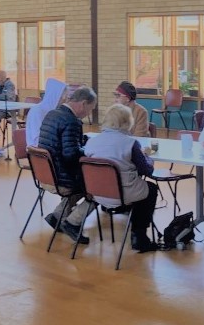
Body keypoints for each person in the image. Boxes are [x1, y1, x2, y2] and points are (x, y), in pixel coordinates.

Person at [83, 104, 159, 252]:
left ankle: (127, 216)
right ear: (127, 122)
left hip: (97, 193)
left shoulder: (91, 142)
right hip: (123, 193)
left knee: (137, 189)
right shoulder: (130, 143)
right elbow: (146, 170)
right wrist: (148, 158)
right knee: (151, 189)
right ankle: (139, 236)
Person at [38, 86, 97, 244]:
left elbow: (60, 143)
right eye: (90, 109)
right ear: (83, 104)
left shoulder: (52, 114)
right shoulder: (72, 121)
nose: (89, 113)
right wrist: (88, 151)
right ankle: (73, 223)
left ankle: (57, 216)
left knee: (83, 186)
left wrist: (82, 142)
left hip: (46, 175)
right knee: (98, 190)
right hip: (61, 178)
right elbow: (71, 155)